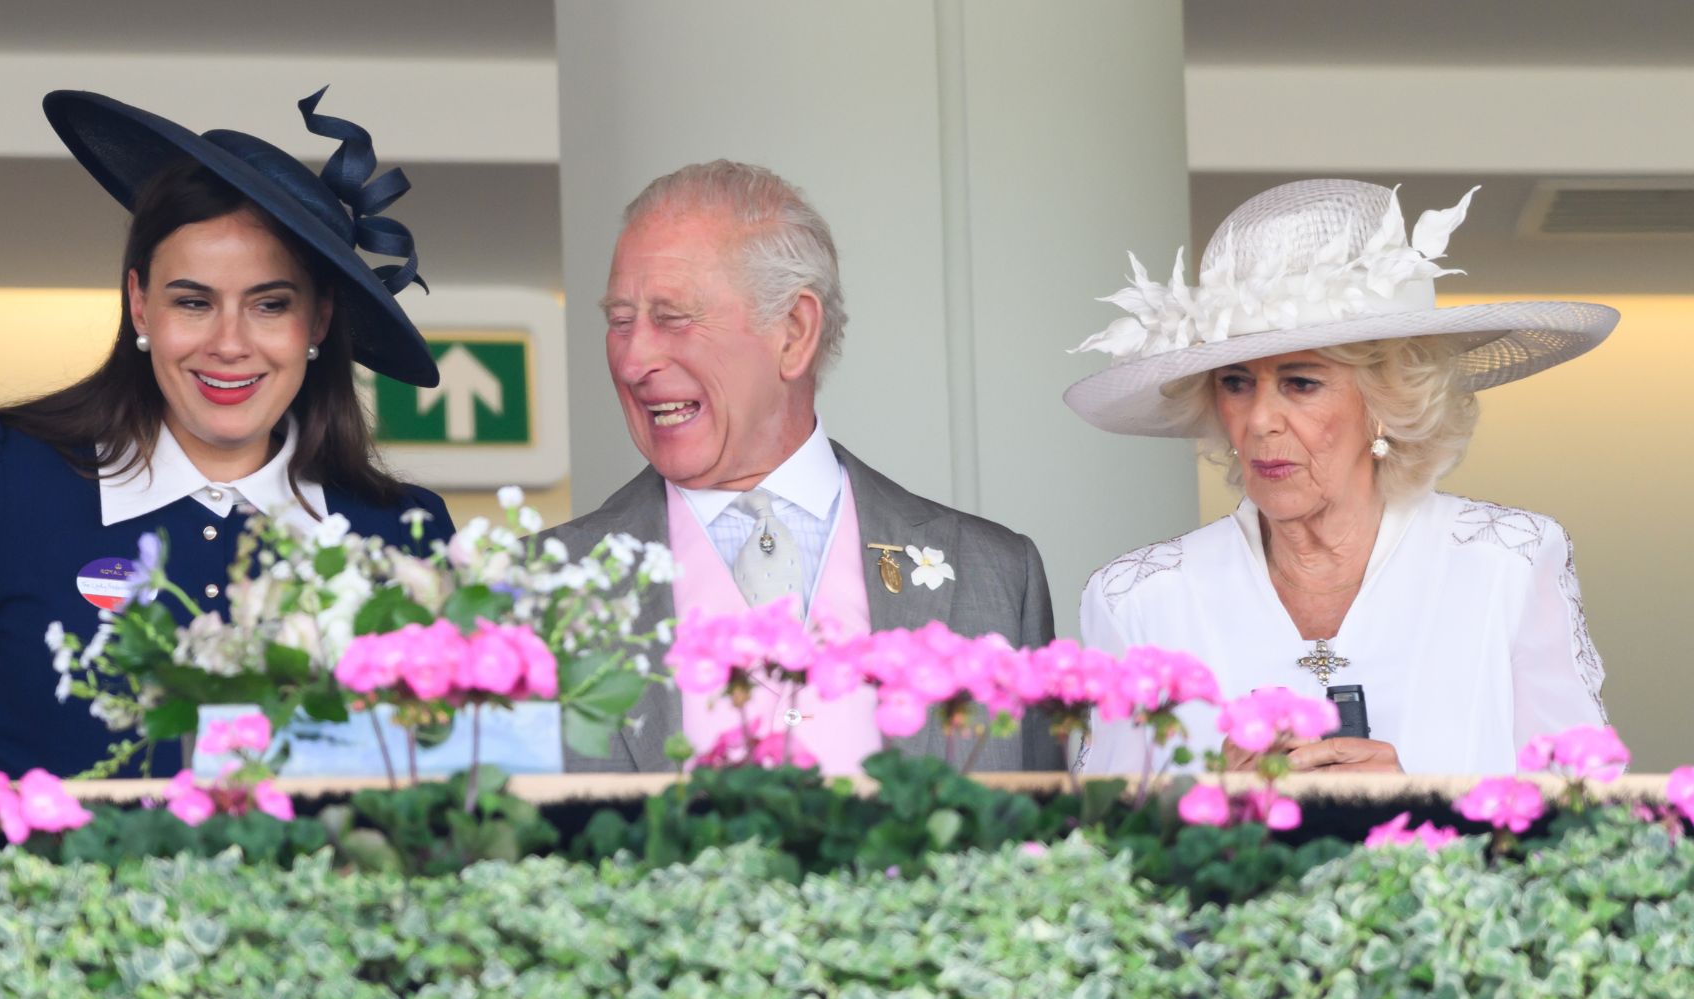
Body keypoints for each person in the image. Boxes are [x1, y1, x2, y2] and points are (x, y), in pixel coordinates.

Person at [0, 88, 454, 782]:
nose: (229, 344)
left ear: (318, 322)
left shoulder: (403, 541)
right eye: (193, 302)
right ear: (141, 305)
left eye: (270, 304)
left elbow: (446, 799)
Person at [1066, 179, 1617, 775]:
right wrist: (1214, 806)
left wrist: (1416, 803)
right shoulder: (1139, 599)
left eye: (1301, 383)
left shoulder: (1508, 562)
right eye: (1236, 383)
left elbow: (1587, 809)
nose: (1259, 420)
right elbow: (1099, 828)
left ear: (1385, 400)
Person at [545, 161, 1062, 774]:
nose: (633, 361)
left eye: (672, 318)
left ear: (794, 332)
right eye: (620, 322)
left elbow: (1042, 825)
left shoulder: (996, 577)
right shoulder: (532, 591)